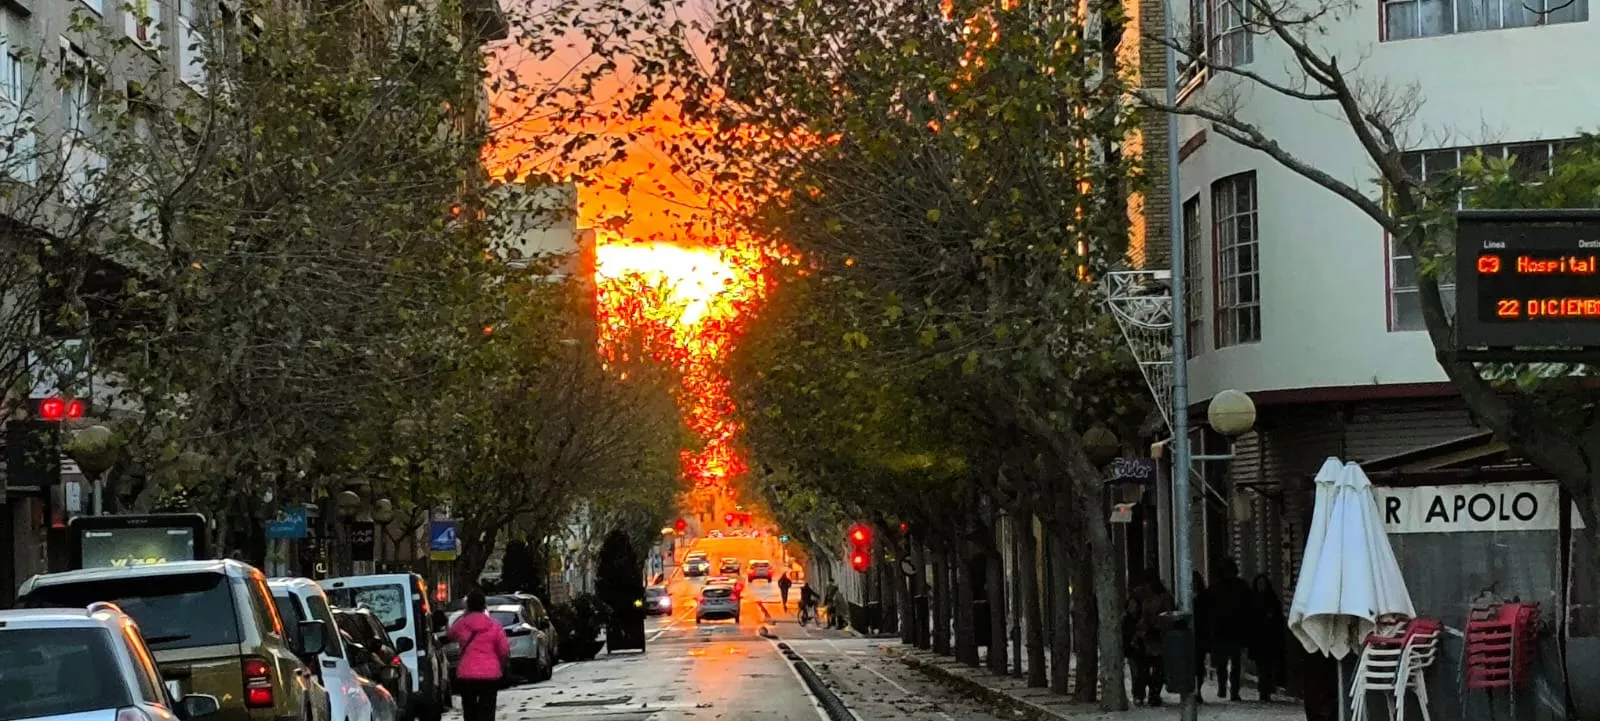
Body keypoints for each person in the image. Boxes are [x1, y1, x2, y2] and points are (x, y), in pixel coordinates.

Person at [449, 590, 510, 721]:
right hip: (490, 674)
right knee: (487, 710)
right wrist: (499, 665)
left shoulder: (462, 624)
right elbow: (504, 650)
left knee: (469, 710)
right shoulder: (495, 626)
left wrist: (464, 615)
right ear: (484, 606)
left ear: (468, 606)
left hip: (467, 674)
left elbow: (451, 634)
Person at [1209, 558, 1253, 702]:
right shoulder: (1219, 588)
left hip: (1233, 629)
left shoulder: (1239, 586)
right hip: (1225, 628)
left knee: (1233, 661)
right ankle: (1225, 687)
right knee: (1225, 662)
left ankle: (1232, 689)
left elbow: (1248, 606)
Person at [1133, 574, 1174, 706]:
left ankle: (1153, 694)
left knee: (1157, 668)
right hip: (1146, 637)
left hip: (1157, 635)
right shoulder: (1143, 597)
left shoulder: (1163, 597)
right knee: (1144, 669)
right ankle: (1142, 694)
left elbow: (1167, 615)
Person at [1249, 574, 1286, 702]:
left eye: (1263, 584)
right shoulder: (1253, 600)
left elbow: (1279, 620)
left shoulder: (1272, 600)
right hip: (1258, 640)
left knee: (1268, 666)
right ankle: (1263, 690)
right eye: (1259, 584)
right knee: (1262, 667)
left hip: (1271, 640)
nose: (1261, 587)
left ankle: (1267, 689)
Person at [1192, 571, 1213, 702]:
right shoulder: (1186, 597)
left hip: (1200, 635)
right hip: (1190, 635)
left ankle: (1197, 689)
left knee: (1199, 664)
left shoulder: (1204, 597)